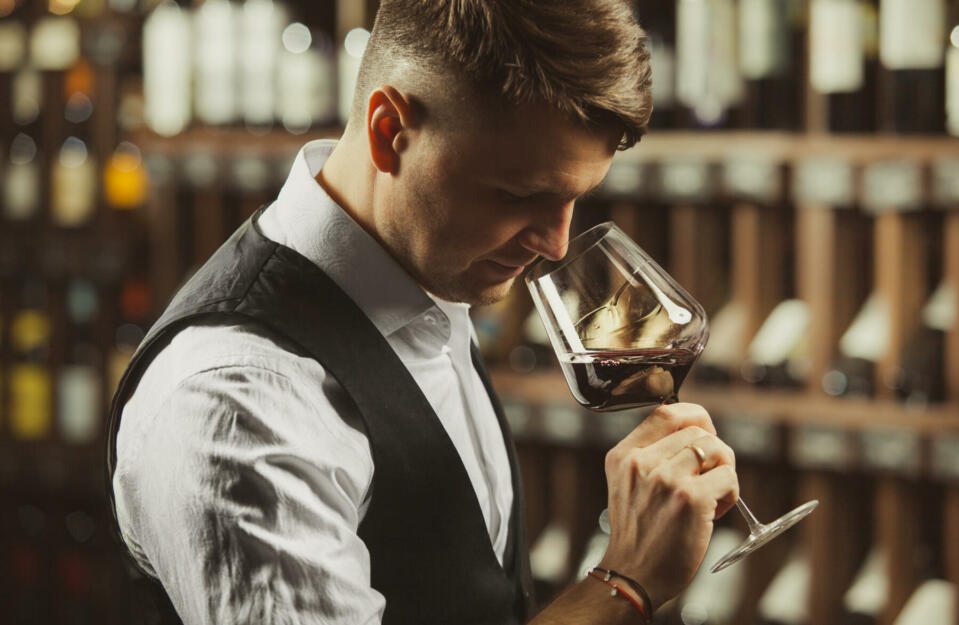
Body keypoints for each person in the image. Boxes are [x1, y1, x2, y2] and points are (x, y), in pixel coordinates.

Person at [106, 1, 740, 623]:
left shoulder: (427, 278)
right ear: (390, 132)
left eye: (577, 198)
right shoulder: (239, 402)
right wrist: (624, 584)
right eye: (519, 196)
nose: (553, 244)